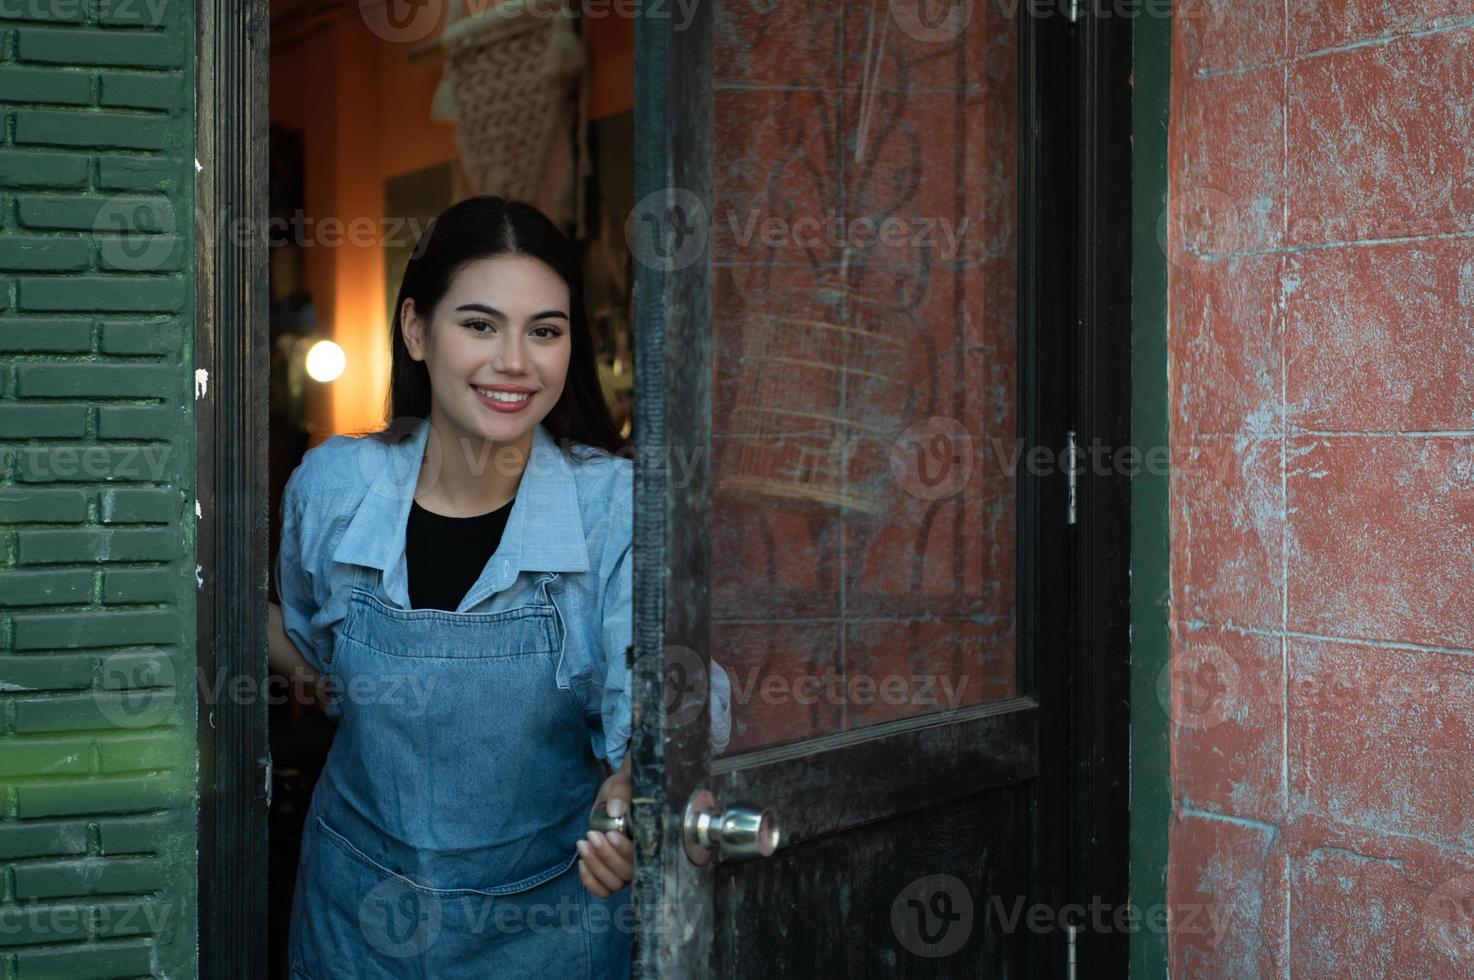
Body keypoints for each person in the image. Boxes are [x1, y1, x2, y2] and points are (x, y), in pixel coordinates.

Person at [267, 195, 731, 978]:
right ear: (416, 329)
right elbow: (310, 645)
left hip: (549, 928)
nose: (515, 361)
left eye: (544, 331)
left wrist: (633, 791)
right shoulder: (334, 486)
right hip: (355, 921)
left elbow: (663, 692)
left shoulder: (614, 507)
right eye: (479, 324)